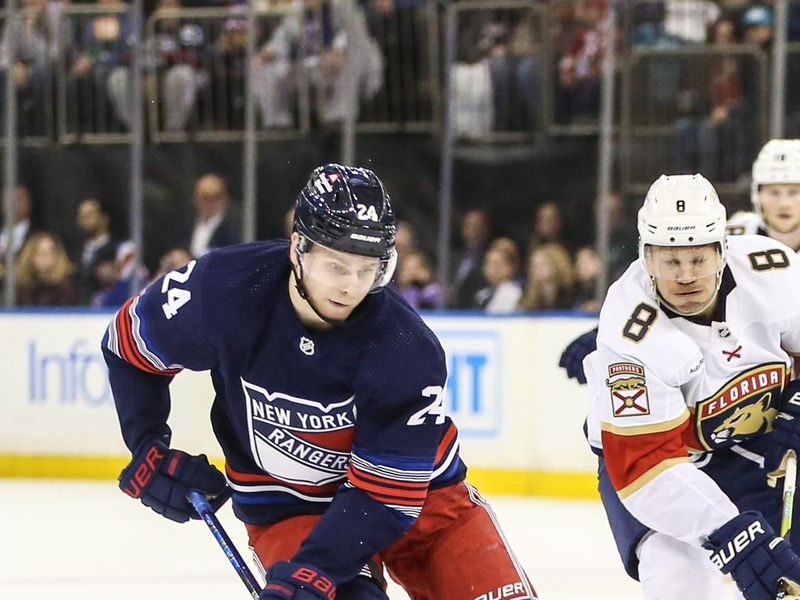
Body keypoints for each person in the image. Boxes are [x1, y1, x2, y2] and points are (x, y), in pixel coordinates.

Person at [102, 164, 537, 600]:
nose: (351, 287)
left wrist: (314, 571)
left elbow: (386, 498)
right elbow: (127, 346)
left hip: (423, 506)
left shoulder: (406, 348)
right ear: (298, 249)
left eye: (369, 270)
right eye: (336, 265)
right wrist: (147, 445)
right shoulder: (224, 291)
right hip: (288, 506)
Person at [583, 173, 800, 599]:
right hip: (656, 466)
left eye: (698, 260)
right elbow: (646, 465)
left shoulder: (772, 273)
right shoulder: (631, 332)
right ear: (646, 258)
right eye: (670, 261)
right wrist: (735, 537)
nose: (685, 276)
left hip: (754, 449)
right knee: (676, 579)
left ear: (722, 252)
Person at [561, 138, 800, 384]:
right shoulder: (732, 233)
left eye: (793, 192)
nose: (783, 203)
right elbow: (662, 269)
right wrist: (614, 330)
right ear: (757, 194)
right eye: (774, 192)